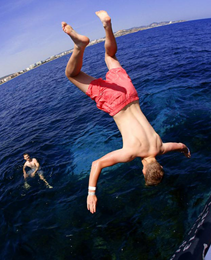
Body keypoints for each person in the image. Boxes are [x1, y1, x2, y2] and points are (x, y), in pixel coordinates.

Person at [62, 10, 191, 214]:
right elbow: (97, 164)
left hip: (130, 94)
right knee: (72, 74)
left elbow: (180, 145)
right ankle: (80, 45)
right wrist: (91, 192)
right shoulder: (130, 153)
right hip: (115, 103)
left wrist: (185, 151)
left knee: (110, 56)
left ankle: (107, 26)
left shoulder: (161, 147)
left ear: (159, 165)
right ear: (143, 170)